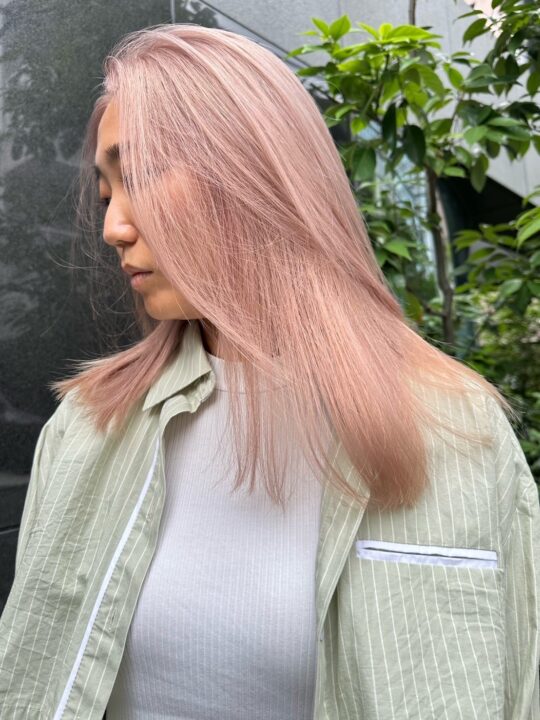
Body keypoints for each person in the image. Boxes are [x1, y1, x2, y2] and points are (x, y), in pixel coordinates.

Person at [0, 22, 539, 720]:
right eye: (107, 194)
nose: (113, 228)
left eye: (142, 175)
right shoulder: (86, 428)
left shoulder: (456, 429)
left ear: (258, 174)